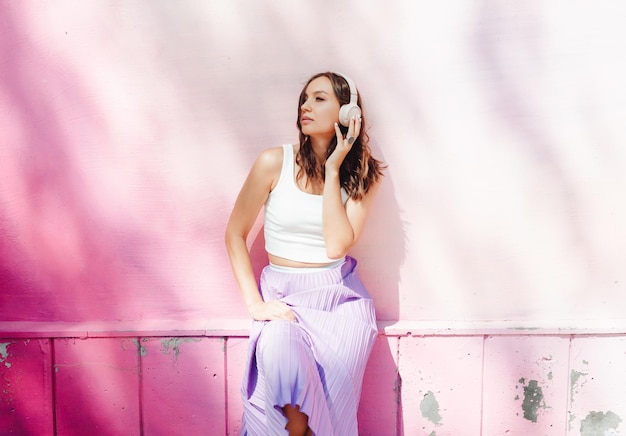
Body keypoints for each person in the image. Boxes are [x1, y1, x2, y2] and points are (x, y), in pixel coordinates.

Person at [225, 71, 385, 435]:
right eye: (304, 98)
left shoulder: (362, 175)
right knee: (283, 373)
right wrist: (255, 305)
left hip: (339, 302)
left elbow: (336, 245)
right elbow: (234, 234)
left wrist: (332, 170)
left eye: (319, 98)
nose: (305, 106)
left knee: (328, 409)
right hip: (285, 299)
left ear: (347, 113)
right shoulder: (273, 162)